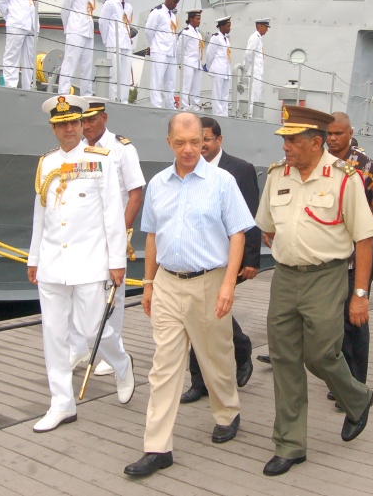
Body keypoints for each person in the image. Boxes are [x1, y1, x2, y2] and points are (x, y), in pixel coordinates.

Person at [124, 113, 255, 477]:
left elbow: (238, 235)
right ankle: (157, 447)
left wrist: (228, 285)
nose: (188, 149)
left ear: (204, 141)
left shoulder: (222, 182)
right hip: (167, 282)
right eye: (180, 143)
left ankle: (227, 411)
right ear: (169, 142)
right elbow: (150, 236)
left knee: (215, 357)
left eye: (195, 142)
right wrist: (148, 284)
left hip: (208, 282)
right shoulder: (159, 184)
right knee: (163, 367)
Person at [256, 105, 373, 477]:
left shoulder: (344, 179)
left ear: (315, 141)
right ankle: (290, 444)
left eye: (292, 141)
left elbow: (364, 237)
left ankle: (358, 398)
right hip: (285, 278)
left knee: (322, 354)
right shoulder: (278, 176)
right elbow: (267, 226)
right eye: (284, 140)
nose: (286, 148)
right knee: (284, 358)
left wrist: (359, 294)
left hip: (327, 277)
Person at [27, 94, 134, 433]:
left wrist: (117, 261)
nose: (68, 130)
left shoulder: (100, 159)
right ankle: (62, 402)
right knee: (54, 335)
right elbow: (41, 214)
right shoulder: (46, 163)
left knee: (93, 330)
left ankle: (121, 361)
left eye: (73, 123)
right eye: (61, 125)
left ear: (80, 124)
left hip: (90, 262)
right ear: (54, 129)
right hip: (53, 263)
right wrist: (34, 258)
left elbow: (113, 215)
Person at [179, 116, 260, 404]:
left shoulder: (239, 170)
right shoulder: (185, 170)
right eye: (197, 139)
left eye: (207, 139)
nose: (201, 146)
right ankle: (199, 380)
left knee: (209, 313)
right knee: (198, 315)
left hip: (227, 258)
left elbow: (250, 216)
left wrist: (251, 259)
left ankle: (237, 351)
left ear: (219, 140)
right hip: (195, 257)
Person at [76, 97, 146, 377]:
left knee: (111, 296)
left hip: (110, 235)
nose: (87, 126)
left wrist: (121, 231)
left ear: (104, 119)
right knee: (80, 291)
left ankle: (113, 351)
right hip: (83, 235)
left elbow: (136, 193)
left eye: (91, 120)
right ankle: (81, 347)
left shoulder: (121, 149)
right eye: (82, 121)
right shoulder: (77, 150)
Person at [326, 113, 373, 383]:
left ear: (350, 133)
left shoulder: (367, 167)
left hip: (358, 259)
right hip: (328, 259)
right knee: (329, 321)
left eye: (338, 134)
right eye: (329, 134)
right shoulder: (320, 164)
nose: (332, 139)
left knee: (354, 320)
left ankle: (355, 383)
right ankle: (340, 378)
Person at [59, 0, 98, 95]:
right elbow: (64, 9)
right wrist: (68, 27)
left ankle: (86, 94)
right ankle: (63, 92)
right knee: (70, 62)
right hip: (75, 30)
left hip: (88, 31)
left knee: (87, 66)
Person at [97, 0, 137, 103]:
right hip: (114, 43)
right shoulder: (110, 3)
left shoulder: (129, 7)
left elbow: (127, 25)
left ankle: (123, 99)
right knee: (114, 74)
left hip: (125, 43)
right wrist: (107, 40)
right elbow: (103, 23)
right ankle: (114, 98)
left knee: (125, 75)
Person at [144, 0, 183, 109]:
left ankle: (170, 105)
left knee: (171, 81)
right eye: (174, 1)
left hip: (171, 52)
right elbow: (148, 31)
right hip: (160, 50)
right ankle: (156, 105)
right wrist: (154, 45)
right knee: (157, 79)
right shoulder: (157, 12)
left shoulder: (173, 16)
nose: (175, 4)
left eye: (177, 2)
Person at [204, 16, 232, 117]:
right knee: (217, 93)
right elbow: (209, 54)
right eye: (228, 26)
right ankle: (217, 113)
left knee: (225, 94)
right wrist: (209, 67)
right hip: (218, 69)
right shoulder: (215, 37)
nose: (230, 28)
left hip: (226, 70)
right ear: (222, 26)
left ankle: (224, 113)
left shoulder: (226, 39)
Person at [178, 9, 204, 110]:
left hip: (197, 63)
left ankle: (195, 105)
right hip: (188, 61)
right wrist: (180, 62)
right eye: (197, 19)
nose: (199, 21)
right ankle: (184, 105)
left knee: (196, 86)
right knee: (186, 85)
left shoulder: (198, 33)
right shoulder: (186, 32)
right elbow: (179, 48)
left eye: (200, 19)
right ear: (191, 19)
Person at [244, 18, 270, 107]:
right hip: (254, 71)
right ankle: (251, 115)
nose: (267, 30)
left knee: (257, 95)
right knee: (254, 96)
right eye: (266, 27)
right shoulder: (255, 38)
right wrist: (247, 69)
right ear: (260, 26)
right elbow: (248, 53)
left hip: (257, 71)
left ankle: (253, 114)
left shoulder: (258, 38)